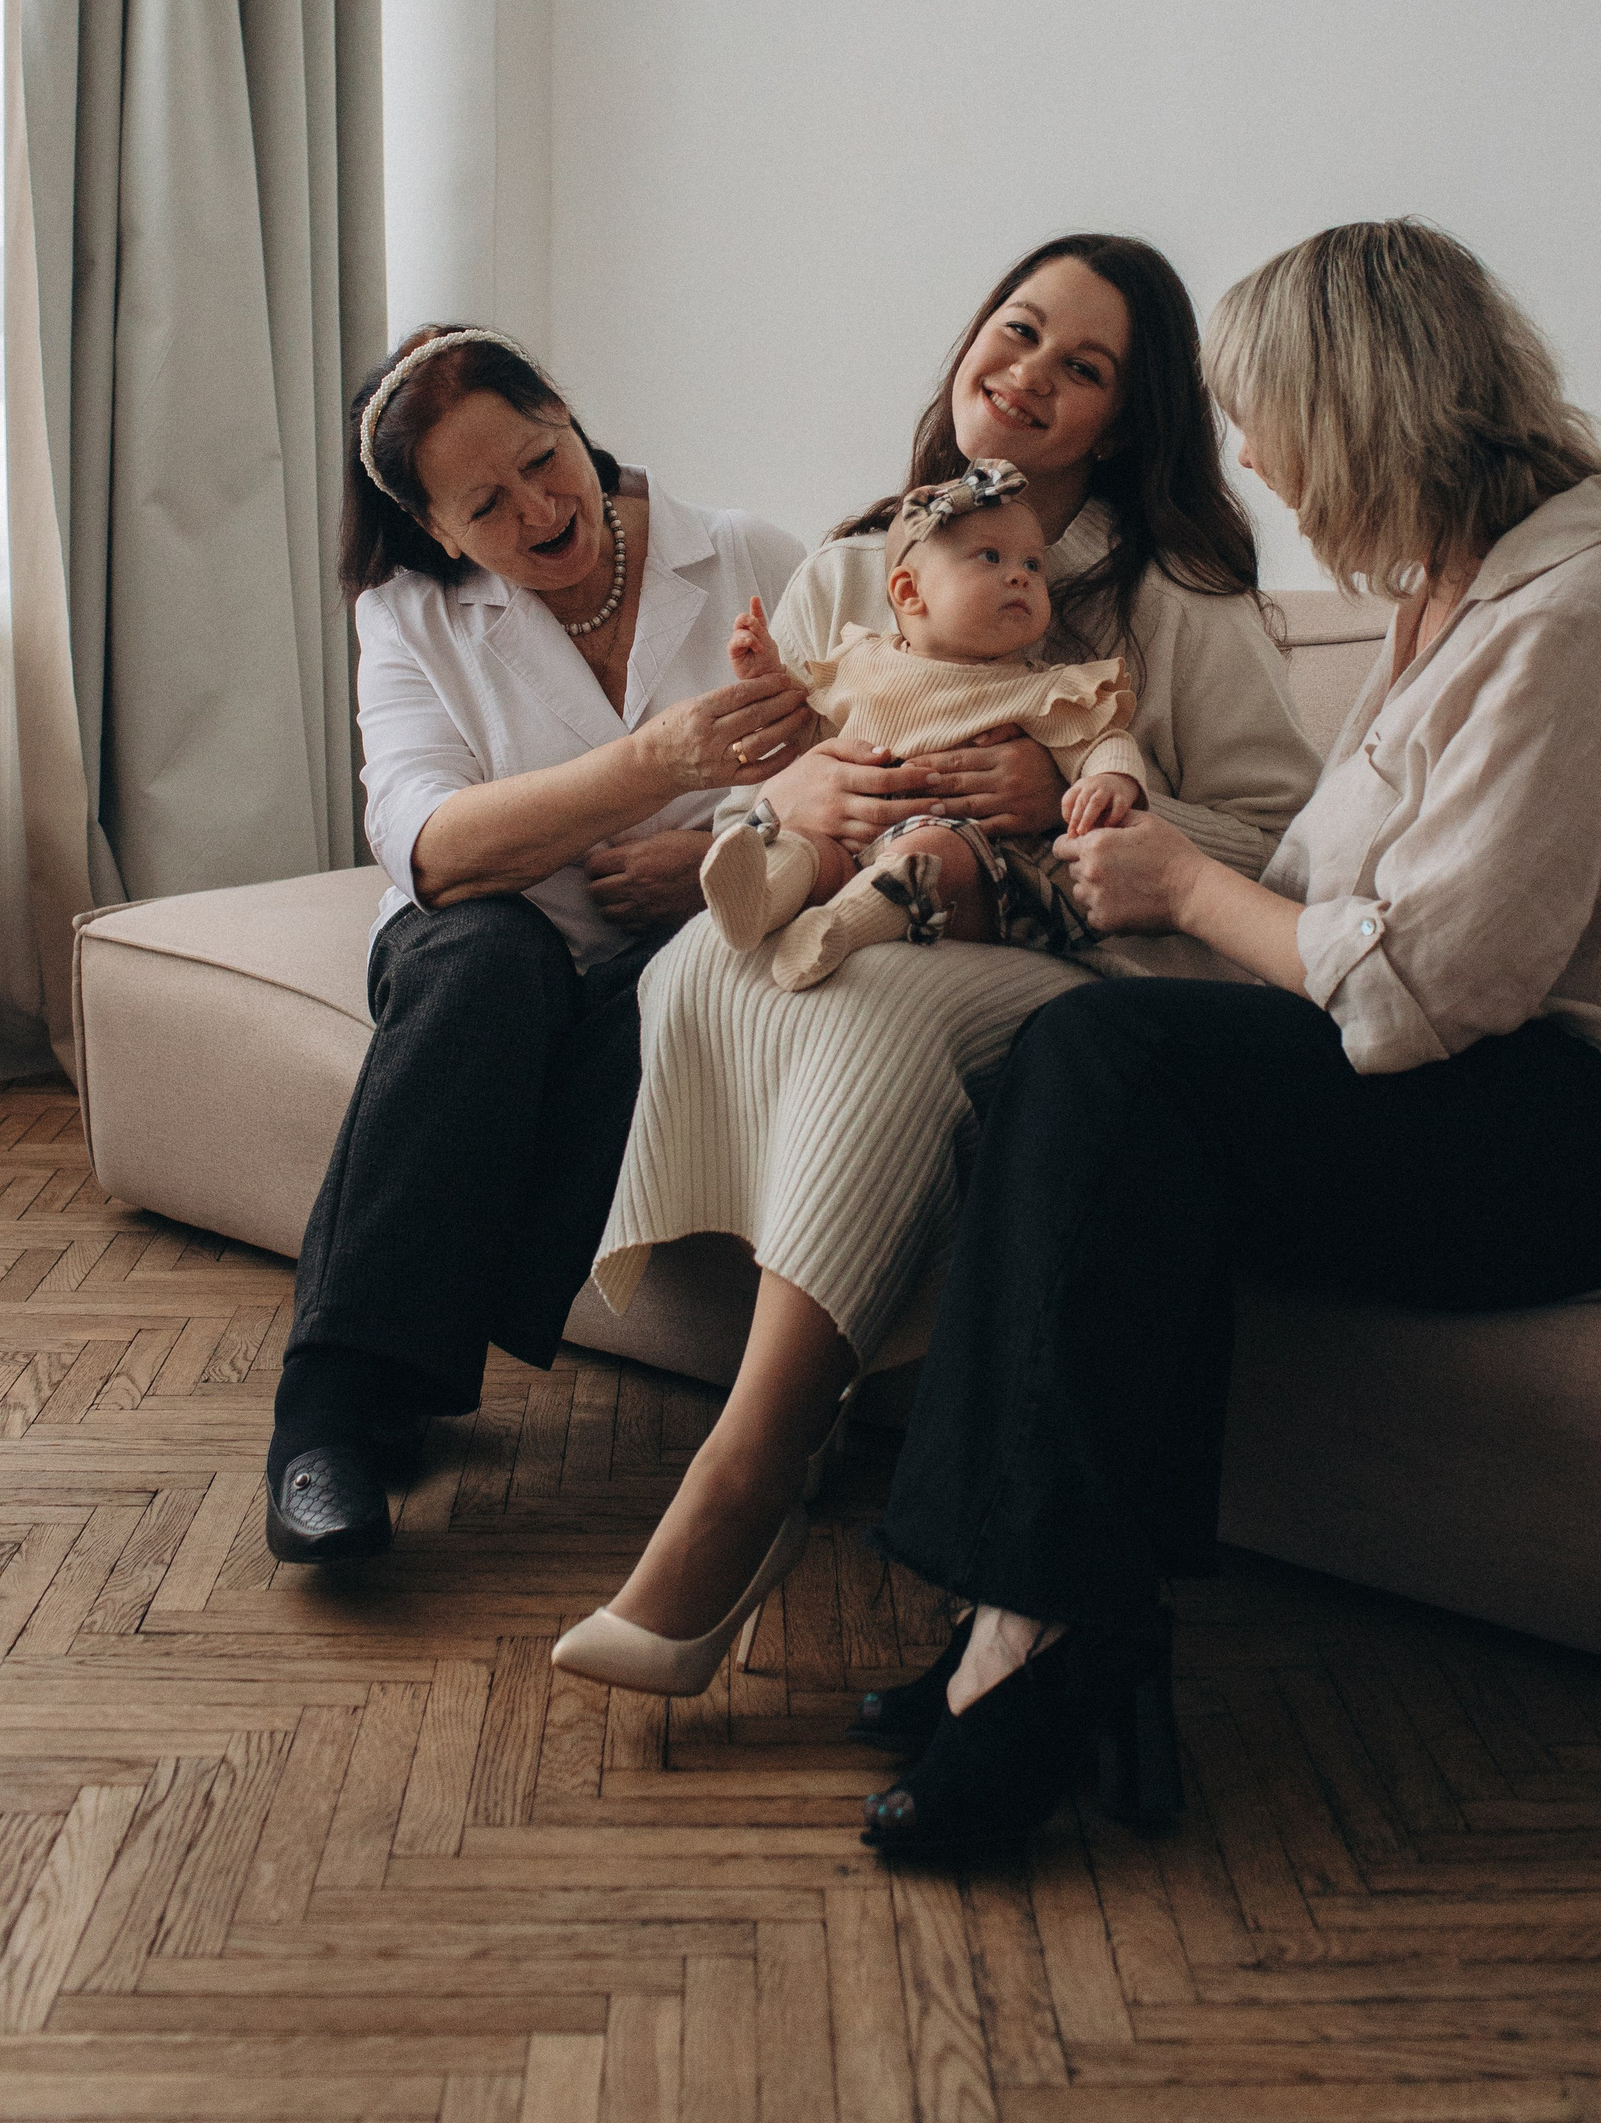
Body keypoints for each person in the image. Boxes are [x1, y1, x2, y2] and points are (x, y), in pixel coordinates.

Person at [857, 220, 1601, 1862]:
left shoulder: (1576, 615)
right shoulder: (1457, 587)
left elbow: (1421, 990)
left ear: (1358, 411)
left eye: (1265, 417)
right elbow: (1331, 899)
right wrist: (1139, 864)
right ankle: (1049, 1622)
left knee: (1110, 1068)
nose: (1254, 459)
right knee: (1103, 1074)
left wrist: (1179, 883)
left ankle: (1038, 1631)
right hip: (1501, 1079)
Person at [548, 235, 1322, 1696]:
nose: (1027, 376)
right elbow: (756, 784)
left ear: (1125, 421)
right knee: (704, 964)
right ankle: (806, 1387)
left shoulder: (1180, 594)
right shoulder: (859, 563)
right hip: (867, 898)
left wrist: (1073, 790)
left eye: (1082, 367)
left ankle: (754, 1465)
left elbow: (1286, 837)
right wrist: (794, 793)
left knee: (874, 1016)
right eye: (1016, 331)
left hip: (1087, 958)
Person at [264, 324, 807, 1563]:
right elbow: (427, 845)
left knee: (697, 975)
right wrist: (653, 767)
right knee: (486, 961)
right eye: (486, 506)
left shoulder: (750, 555)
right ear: (438, 531)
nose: (539, 509)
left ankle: (396, 1370)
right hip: (484, 946)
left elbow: (863, 757)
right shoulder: (409, 616)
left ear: (567, 411)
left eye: (541, 460)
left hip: (688, 948)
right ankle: (324, 1419)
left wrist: (721, 862)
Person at [701, 456, 1148, 990]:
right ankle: (762, 902)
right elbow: (808, 733)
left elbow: (1100, 740)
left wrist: (1110, 779)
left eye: (1034, 566)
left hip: (983, 882)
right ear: (909, 592)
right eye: (991, 557)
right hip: (855, 852)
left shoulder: (1041, 688)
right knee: (805, 844)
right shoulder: (860, 661)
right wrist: (769, 677)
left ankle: (839, 928)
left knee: (934, 847)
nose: (1020, 576)